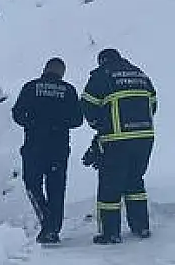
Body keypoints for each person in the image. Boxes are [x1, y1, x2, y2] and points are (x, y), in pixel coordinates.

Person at [81, 48, 158, 244]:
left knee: (110, 186)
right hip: (144, 138)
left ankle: (110, 233)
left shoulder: (102, 75)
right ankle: (141, 227)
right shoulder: (140, 74)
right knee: (135, 181)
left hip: (117, 139)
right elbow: (153, 104)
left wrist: (99, 126)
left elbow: (88, 105)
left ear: (103, 61)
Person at [10, 57, 84, 244]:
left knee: (32, 184)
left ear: (45, 69)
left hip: (34, 145)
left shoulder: (31, 87)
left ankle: (47, 221)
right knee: (56, 189)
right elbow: (77, 120)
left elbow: (17, 113)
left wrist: (33, 122)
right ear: (62, 72)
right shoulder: (68, 90)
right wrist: (59, 123)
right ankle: (53, 229)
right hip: (58, 148)